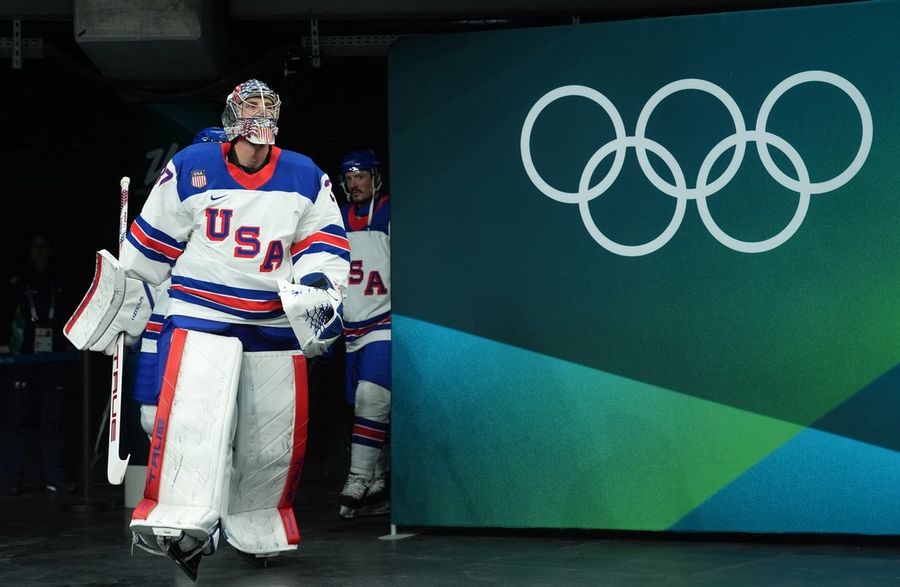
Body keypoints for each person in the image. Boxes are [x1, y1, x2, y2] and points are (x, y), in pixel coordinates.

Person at [63, 79, 348, 582]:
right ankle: (181, 520)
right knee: (191, 423)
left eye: (268, 106)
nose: (260, 116)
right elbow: (150, 248)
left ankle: (259, 521)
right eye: (251, 106)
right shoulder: (191, 168)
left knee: (272, 438)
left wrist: (317, 285)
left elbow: (324, 239)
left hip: (273, 319)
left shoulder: (305, 174)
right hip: (202, 313)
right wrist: (126, 296)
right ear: (233, 117)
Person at [336, 149, 392, 520]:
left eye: (361, 175)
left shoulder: (390, 211)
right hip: (352, 328)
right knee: (363, 405)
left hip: (385, 321)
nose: (355, 182)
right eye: (349, 176)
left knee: (373, 399)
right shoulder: (336, 219)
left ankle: (357, 479)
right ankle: (379, 480)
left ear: (375, 177)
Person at [2, 234, 77, 496]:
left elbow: (70, 313)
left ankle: (55, 479)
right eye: (36, 247)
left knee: (53, 421)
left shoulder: (60, 282)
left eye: (45, 247)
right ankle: (12, 481)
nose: (41, 252)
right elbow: (5, 313)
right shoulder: (17, 282)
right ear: (29, 251)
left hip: (54, 359)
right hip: (22, 358)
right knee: (16, 421)